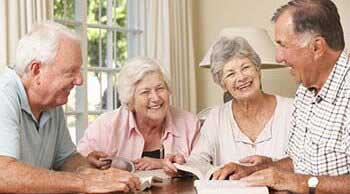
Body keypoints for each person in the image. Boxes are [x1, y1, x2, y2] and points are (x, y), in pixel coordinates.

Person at [0, 21, 140, 193]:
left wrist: (92, 171)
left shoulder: (51, 102)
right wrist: (84, 182)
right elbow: (3, 174)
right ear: (36, 70)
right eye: (70, 72)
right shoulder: (3, 95)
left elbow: (66, 159)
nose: (80, 80)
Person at [237, 0, 350, 193]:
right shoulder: (305, 90)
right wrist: (253, 170)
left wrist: (299, 184)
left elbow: (299, 180)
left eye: (283, 45)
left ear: (317, 47)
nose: (278, 57)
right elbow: (301, 163)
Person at [164, 36, 294, 179]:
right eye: (231, 74)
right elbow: (198, 160)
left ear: (258, 70)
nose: (241, 77)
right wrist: (181, 164)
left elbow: (307, 162)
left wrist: (266, 166)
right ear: (223, 84)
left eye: (246, 67)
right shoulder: (216, 116)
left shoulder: (291, 109)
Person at [77, 57, 200, 171]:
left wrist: (162, 164)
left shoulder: (189, 124)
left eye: (160, 88)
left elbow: (203, 167)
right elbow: (76, 164)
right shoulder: (106, 126)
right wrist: (88, 163)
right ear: (130, 101)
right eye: (145, 92)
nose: (156, 98)